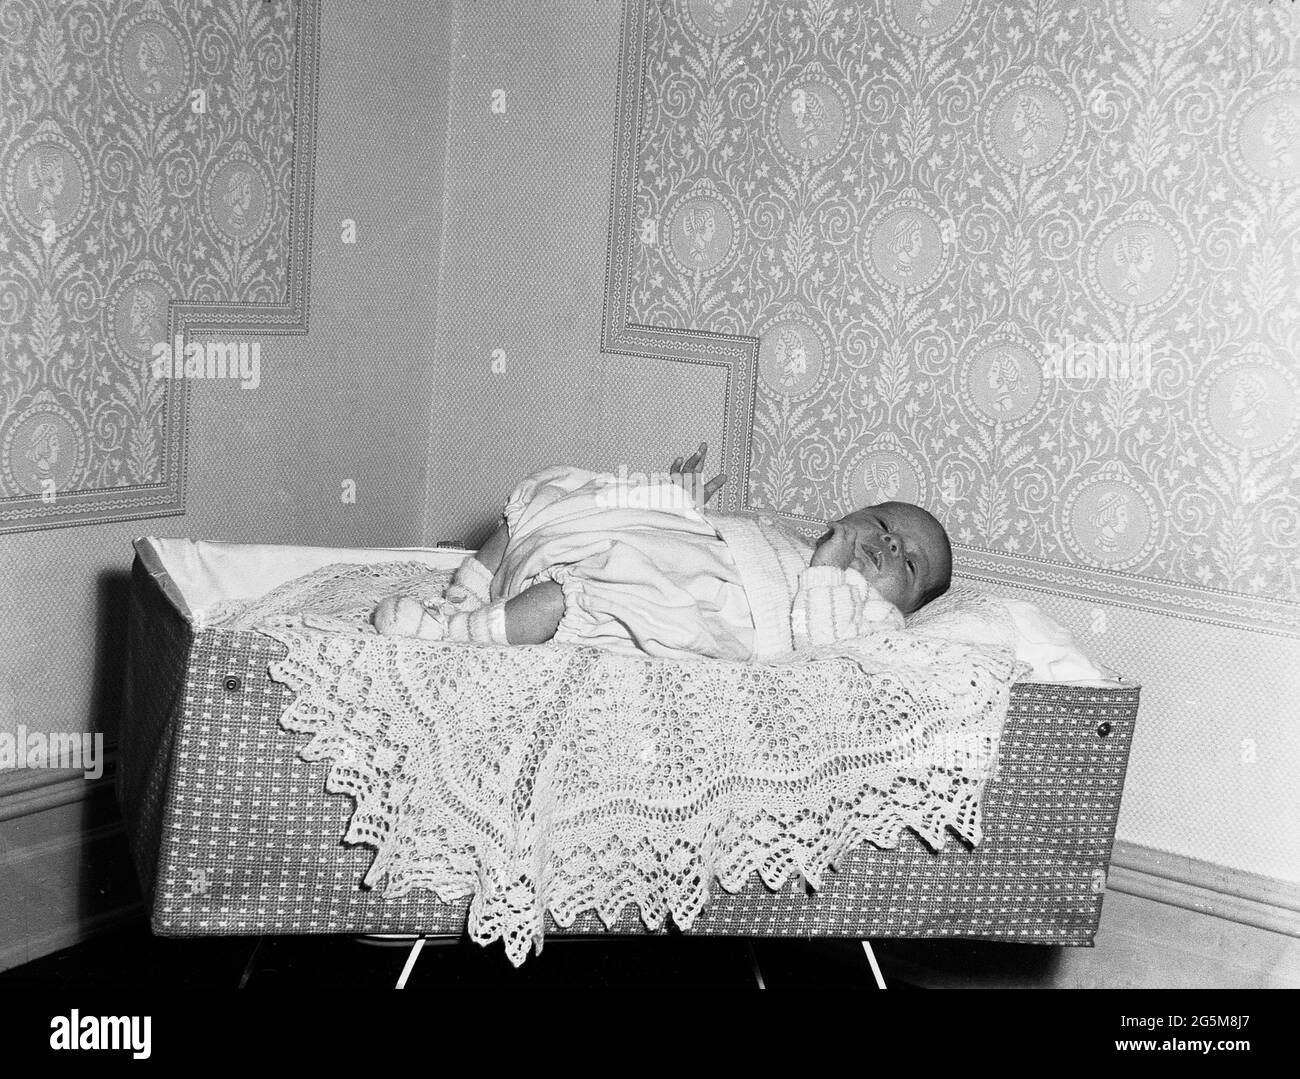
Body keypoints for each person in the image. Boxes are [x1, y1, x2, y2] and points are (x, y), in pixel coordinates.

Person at [373, 443, 953, 662]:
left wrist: (826, 574)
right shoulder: (794, 544)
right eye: (883, 524)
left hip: (689, 607)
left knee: (573, 597)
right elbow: (692, 546)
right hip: (677, 562)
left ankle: (457, 635)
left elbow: (828, 657)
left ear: (909, 606)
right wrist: (679, 502)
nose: (890, 543)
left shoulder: (873, 618)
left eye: (908, 563)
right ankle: (468, 589)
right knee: (554, 494)